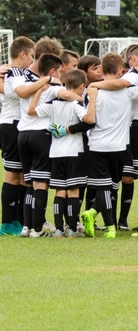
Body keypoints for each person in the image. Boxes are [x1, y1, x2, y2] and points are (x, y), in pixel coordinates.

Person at [79, 54, 138, 238]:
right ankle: (99, 215)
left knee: (104, 186)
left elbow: (88, 120)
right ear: (122, 71)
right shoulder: (130, 91)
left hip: (97, 144)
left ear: (102, 71)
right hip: (121, 146)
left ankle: (110, 228)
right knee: (114, 184)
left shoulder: (92, 91)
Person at [29, 68, 88, 237]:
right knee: (73, 191)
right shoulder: (77, 104)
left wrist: (38, 91)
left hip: (55, 152)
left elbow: (32, 111)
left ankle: (58, 229)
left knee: (60, 191)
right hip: (74, 151)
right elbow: (88, 120)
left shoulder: (52, 104)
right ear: (82, 86)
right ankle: (71, 228)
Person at [16, 52, 65, 238]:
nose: (60, 75)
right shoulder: (52, 87)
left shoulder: (27, 85)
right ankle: (37, 229)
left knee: (29, 183)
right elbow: (64, 95)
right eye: (59, 71)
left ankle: (27, 227)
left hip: (23, 135)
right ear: (52, 71)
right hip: (40, 135)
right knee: (41, 184)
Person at [0, 36, 36, 236]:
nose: (32, 60)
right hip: (11, 125)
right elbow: (17, 92)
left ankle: (20, 220)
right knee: (12, 175)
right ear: (22, 54)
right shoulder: (11, 72)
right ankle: (7, 223)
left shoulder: (22, 72)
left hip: (20, 126)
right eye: (31, 56)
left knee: (24, 176)